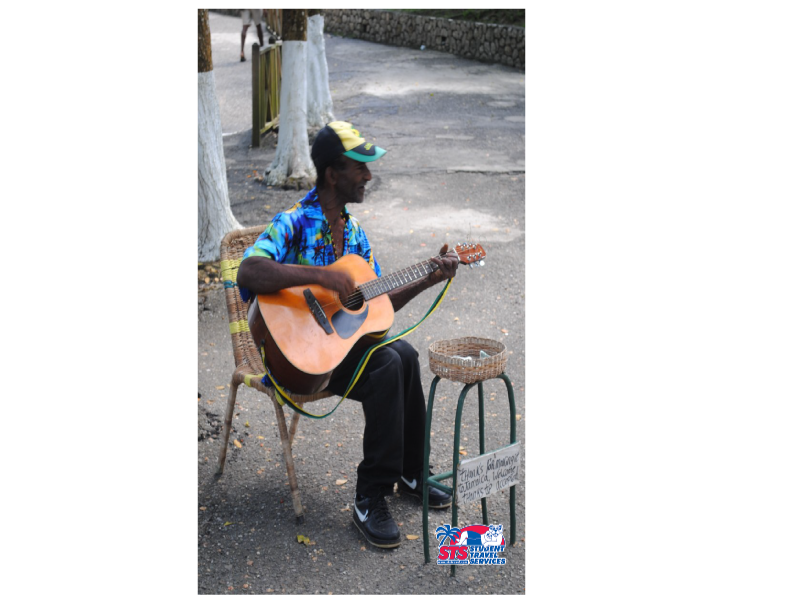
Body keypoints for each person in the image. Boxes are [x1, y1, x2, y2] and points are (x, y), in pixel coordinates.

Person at [237, 121, 459, 549]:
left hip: (339, 352)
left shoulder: (354, 235)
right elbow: (250, 271)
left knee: (405, 355)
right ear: (332, 174)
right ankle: (370, 496)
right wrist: (323, 275)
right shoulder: (293, 223)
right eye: (360, 167)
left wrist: (429, 278)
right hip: (297, 358)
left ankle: (410, 473)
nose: (369, 176)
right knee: (388, 365)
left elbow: (374, 309)